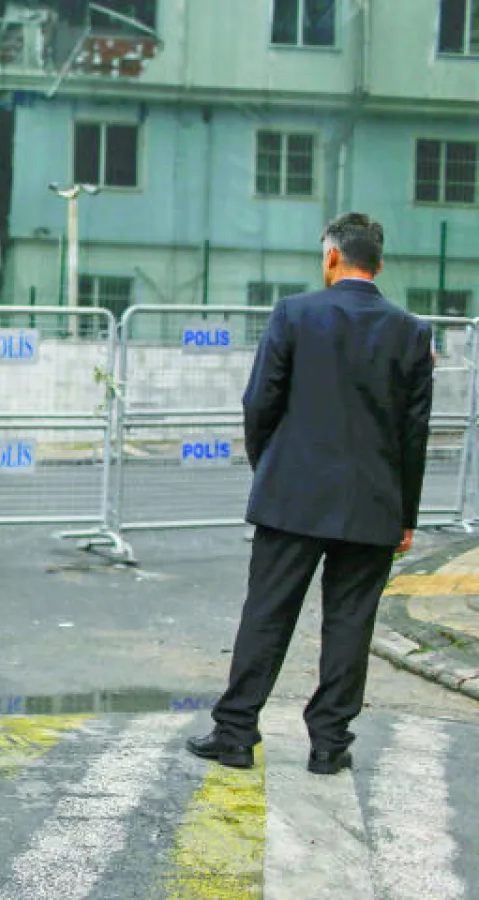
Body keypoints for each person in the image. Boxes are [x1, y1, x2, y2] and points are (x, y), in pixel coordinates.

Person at [188, 213, 434, 776]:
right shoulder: (412, 332)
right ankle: (329, 744)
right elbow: (413, 432)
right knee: (351, 622)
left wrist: (269, 466)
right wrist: (406, 514)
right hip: (373, 502)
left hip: (291, 496)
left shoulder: (294, 314)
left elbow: (260, 401)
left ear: (331, 257)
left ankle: (235, 733)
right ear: (379, 263)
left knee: (268, 613)